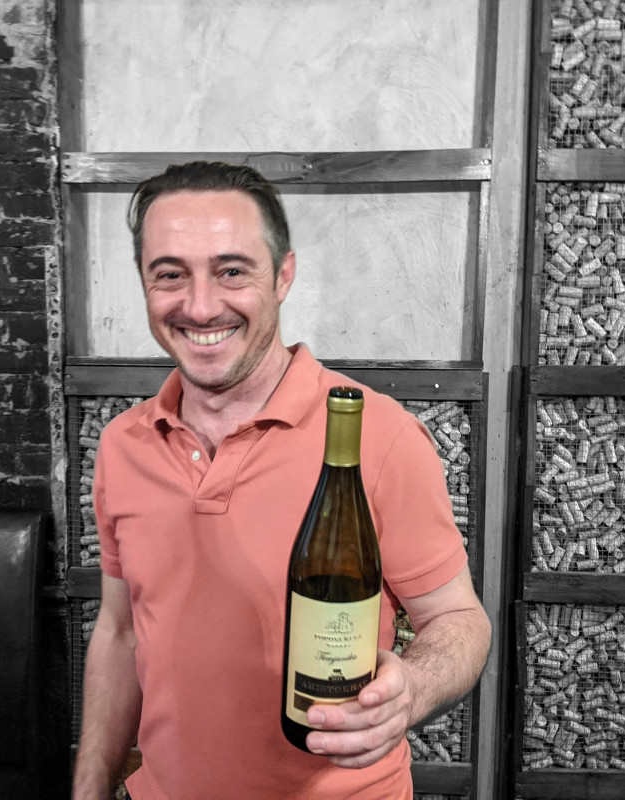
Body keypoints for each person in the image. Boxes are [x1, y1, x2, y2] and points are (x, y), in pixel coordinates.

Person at [72, 161, 492, 800]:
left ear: (283, 276)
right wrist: (90, 786)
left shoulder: (380, 437)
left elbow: (459, 619)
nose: (200, 306)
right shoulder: (122, 445)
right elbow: (119, 629)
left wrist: (412, 689)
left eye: (232, 271)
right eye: (170, 274)